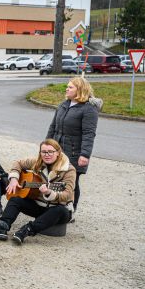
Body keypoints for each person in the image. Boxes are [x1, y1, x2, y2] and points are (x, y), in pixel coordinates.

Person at [0, 139, 75, 245]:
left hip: (59, 211)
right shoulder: (38, 162)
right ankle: (1, 227)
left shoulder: (69, 170)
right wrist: (14, 179)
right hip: (39, 207)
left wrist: (49, 193)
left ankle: (26, 230)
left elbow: (68, 194)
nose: (47, 155)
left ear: (58, 152)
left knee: (60, 210)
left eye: (50, 152)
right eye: (43, 152)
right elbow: (18, 163)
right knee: (15, 200)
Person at [46, 76, 101, 212]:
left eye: (70, 87)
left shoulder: (88, 109)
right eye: (67, 86)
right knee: (54, 178)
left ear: (80, 90)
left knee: (71, 182)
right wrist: (46, 146)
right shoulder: (64, 105)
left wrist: (85, 155)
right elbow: (53, 127)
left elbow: (89, 133)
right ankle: (55, 206)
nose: (67, 89)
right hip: (57, 151)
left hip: (74, 153)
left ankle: (70, 210)